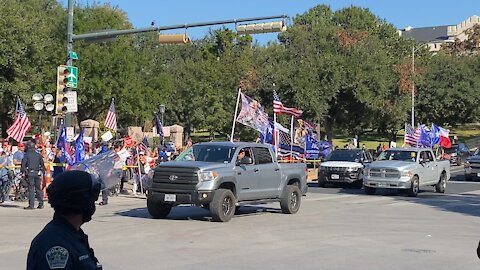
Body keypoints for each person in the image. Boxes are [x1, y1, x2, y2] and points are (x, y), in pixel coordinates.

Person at [26, 170, 102, 269]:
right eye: (92, 200)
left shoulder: (74, 235)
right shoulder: (55, 244)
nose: (92, 205)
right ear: (80, 200)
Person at [21, 142, 46, 210]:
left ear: (28, 147)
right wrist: (42, 172)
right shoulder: (38, 154)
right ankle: (41, 204)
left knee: (31, 189)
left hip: (30, 173)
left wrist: (22, 172)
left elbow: (23, 165)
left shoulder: (26, 155)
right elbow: (42, 164)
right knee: (38, 188)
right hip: (37, 173)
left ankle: (31, 205)